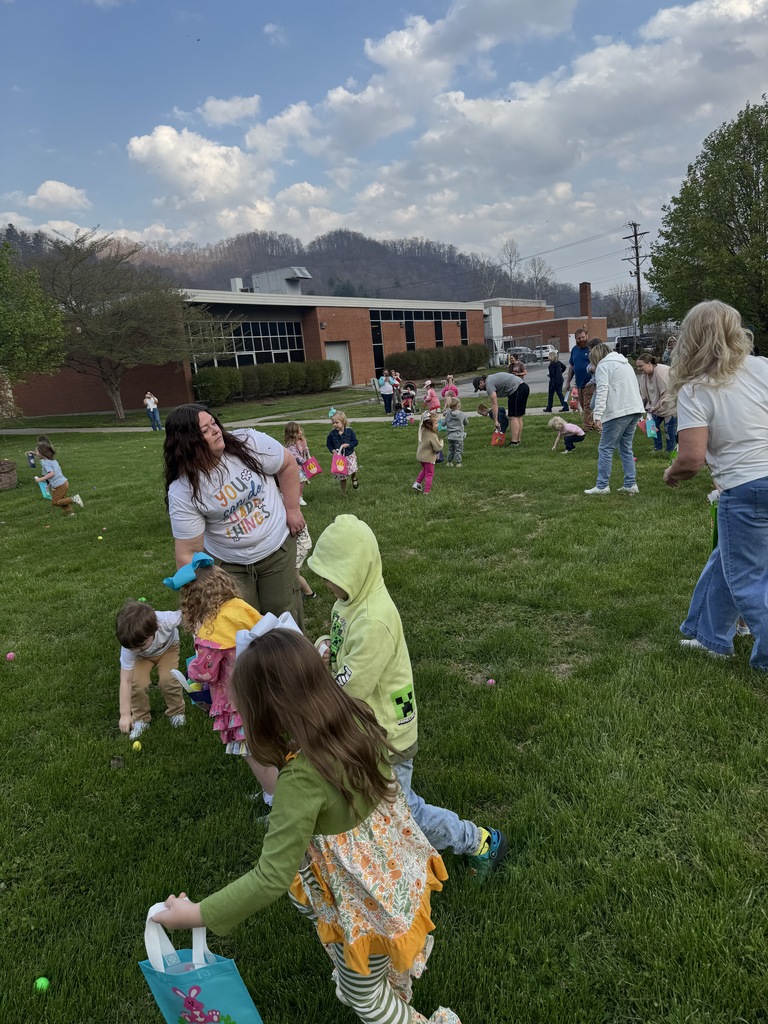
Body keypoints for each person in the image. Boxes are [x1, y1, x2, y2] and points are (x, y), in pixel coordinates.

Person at [151, 624, 462, 1024]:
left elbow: (269, 877)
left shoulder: (301, 781)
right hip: (396, 878)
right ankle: (389, 982)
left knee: (362, 998)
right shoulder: (355, 718)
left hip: (365, 906)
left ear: (265, 712)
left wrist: (196, 914)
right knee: (367, 974)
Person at [308, 513, 508, 882]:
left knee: (406, 812)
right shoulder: (348, 604)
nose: (324, 582)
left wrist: (311, 688)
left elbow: (350, 687)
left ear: (358, 570)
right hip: (366, 728)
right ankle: (389, 855)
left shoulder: (373, 620)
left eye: (332, 575)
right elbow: (340, 648)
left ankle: (480, 842)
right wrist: (323, 647)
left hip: (387, 734)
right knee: (375, 803)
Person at [663, 300, 768, 670]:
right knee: (729, 561)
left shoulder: (696, 388)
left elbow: (692, 457)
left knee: (748, 579)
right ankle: (710, 636)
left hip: (746, 488)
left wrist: (672, 472)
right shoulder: (763, 368)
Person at [163, 404, 305, 630]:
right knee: (242, 623)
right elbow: (187, 552)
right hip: (230, 563)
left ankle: (295, 665)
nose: (216, 430)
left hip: (276, 546)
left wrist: (292, 509)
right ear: (188, 442)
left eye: (214, 423)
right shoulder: (184, 489)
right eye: (206, 430)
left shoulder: (249, 443)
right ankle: (255, 666)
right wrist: (201, 593)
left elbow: (287, 464)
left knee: (283, 615)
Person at [165, 554, 278, 802]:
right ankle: (276, 787)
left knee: (251, 751)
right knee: (268, 745)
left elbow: (206, 672)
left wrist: (192, 671)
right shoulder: (238, 607)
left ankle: (277, 801)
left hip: (237, 700)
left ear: (191, 599)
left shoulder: (210, 629)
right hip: (263, 689)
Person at [116, 600, 186, 741]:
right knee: (137, 683)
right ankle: (141, 719)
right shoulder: (132, 648)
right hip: (142, 658)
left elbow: (190, 616)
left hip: (168, 649)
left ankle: (176, 712)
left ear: (154, 629)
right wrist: (125, 714)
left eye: (141, 645)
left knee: (169, 679)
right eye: (132, 648)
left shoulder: (166, 620)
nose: (135, 649)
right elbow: (126, 681)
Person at [584, 343, 645, 495]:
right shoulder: (624, 364)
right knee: (626, 448)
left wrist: (597, 416)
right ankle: (630, 483)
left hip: (618, 411)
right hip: (634, 409)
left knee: (605, 448)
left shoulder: (603, 366)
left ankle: (602, 485)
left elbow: (602, 390)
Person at [473, 371, 529, 446]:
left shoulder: (488, 383)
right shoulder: (491, 378)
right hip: (523, 387)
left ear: (481, 383)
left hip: (517, 390)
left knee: (513, 417)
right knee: (518, 416)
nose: (480, 390)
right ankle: (518, 440)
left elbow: (494, 403)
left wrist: (496, 421)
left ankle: (514, 442)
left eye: (479, 388)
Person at [636, 353, 677, 453]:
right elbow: (644, 395)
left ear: (649, 364)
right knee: (652, 427)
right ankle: (657, 448)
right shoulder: (644, 376)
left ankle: (670, 450)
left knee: (669, 430)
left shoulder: (662, 373)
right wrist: (640, 408)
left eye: (640, 366)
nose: (638, 369)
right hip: (654, 407)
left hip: (669, 406)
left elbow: (667, 394)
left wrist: (656, 407)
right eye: (637, 366)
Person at [34, 440, 83, 516]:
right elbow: (56, 472)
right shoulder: (53, 460)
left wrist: (41, 479)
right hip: (63, 482)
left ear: (42, 453)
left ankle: (74, 499)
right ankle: (71, 513)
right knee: (61, 499)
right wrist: (50, 483)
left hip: (59, 484)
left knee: (56, 502)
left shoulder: (46, 463)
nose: (36, 453)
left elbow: (52, 473)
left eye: (36, 452)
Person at [563, 328, 596, 431]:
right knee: (582, 404)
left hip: (590, 382)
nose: (581, 340)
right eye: (579, 338)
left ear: (586, 336)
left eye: (583, 337)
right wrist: (568, 381)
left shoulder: (591, 349)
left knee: (588, 405)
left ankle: (587, 426)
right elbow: (572, 366)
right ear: (575, 339)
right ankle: (594, 423)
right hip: (580, 383)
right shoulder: (574, 350)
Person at [326, 410, 360, 494]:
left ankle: (354, 478)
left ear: (343, 422)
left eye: (337, 422)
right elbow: (329, 444)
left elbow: (355, 441)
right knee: (342, 476)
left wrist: (348, 445)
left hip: (349, 455)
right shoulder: (332, 434)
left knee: (353, 469)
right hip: (339, 458)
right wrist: (333, 450)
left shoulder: (349, 432)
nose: (335, 425)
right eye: (333, 423)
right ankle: (343, 493)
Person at [412, 411, 443, 494]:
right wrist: (441, 442)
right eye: (436, 423)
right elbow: (437, 448)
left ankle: (417, 483)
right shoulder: (432, 435)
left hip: (420, 457)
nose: (438, 425)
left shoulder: (422, 430)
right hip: (428, 458)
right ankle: (426, 491)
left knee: (425, 469)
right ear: (430, 424)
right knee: (429, 474)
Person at [284, 421, 311, 506]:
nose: (301, 432)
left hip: (301, 465)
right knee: (301, 481)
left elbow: (303, 451)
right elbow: (295, 455)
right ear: (292, 433)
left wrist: (307, 452)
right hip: (295, 466)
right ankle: (299, 497)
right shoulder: (291, 445)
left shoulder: (301, 441)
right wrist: (304, 461)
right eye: (298, 431)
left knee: (300, 481)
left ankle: (297, 496)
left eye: (300, 430)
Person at [443, 395, 468, 467]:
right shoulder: (462, 414)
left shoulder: (448, 414)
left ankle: (449, 462)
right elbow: (466, 423)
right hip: (459, 436)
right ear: (458, 405)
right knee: (458, 450)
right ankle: (458, 463)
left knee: (451, 450)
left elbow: (443, 424)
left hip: (450, 436)